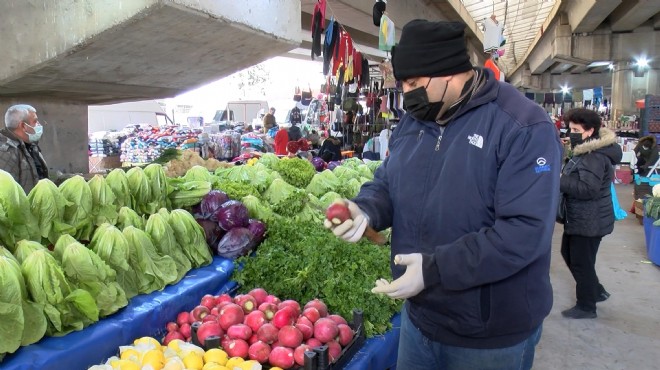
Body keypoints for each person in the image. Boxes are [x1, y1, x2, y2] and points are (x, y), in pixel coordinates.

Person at [324, 19, 562, 369]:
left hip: (488, 335)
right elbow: (389, 181)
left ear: (449, 73)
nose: (407, 94)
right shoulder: (415, 121)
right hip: (420, 319)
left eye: (414, 83)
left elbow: (524, 232)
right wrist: (365, 209)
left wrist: (435, 269)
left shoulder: (522, 127)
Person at [559, 108, 622, 319]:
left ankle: (586, 306)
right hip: (581, 218)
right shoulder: (584, 151)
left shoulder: (593, 156)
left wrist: (558, 179)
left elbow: (589, 189)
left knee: (581, 262)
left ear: (590, 130)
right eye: (570, 128)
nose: (571, 132)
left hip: (589, 220)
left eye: (576, 129)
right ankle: (596, 291)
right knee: (569, 253)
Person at [0, 104, 49, 192]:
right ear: (23, 126)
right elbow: (6, 194)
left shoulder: (30, 145)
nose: (39, 125)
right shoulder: (5, 152)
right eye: (35, 121)